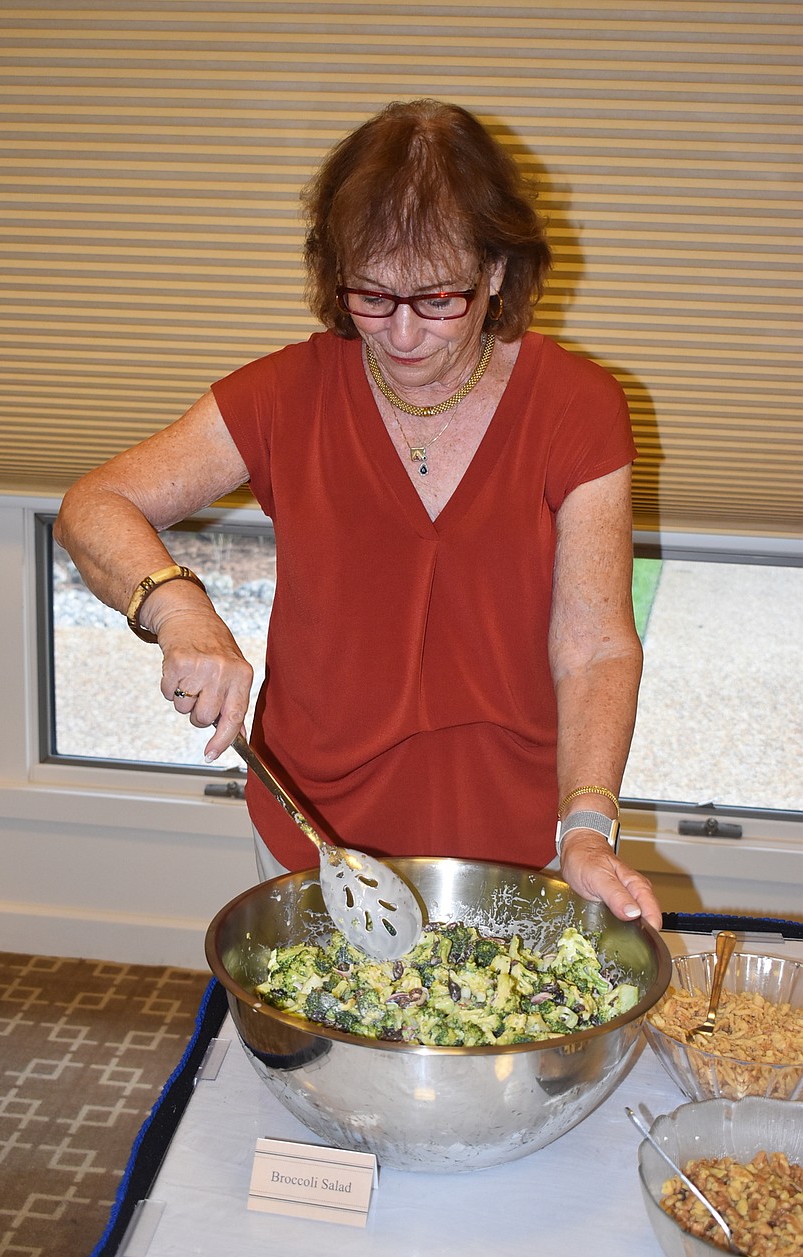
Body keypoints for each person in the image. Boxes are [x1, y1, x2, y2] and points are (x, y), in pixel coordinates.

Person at [55, 98, 662, 929]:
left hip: (515, 837)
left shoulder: (576, 405)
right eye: (372, 296)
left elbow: (592, 645)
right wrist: (178, 608)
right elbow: (95, 504)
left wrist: (587, 829)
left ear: (495, 270)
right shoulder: (285, 394)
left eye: (438, 298)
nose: (404, 334)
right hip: (316, 831)